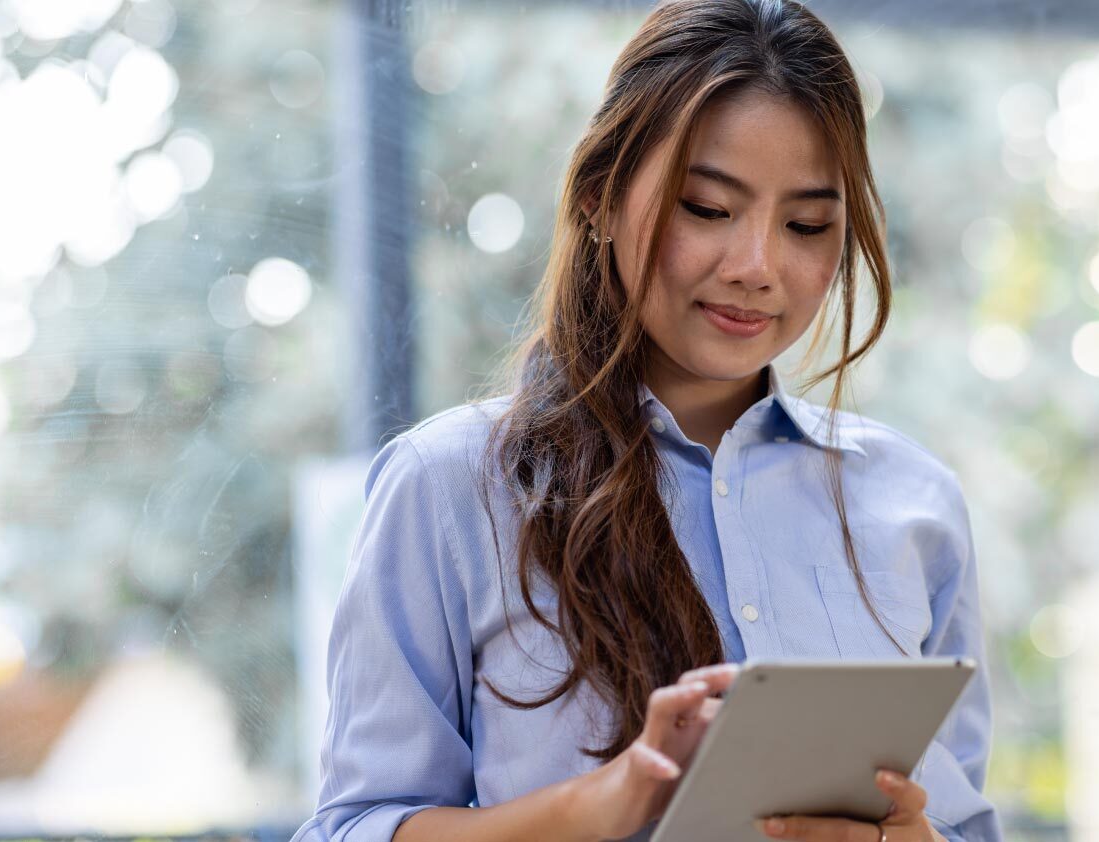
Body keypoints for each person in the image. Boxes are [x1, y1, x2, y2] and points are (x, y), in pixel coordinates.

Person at [291, 0, 1000, 839]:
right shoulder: (448, 487)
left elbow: (965, 823)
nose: (757, 266)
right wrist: (592, 805)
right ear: (598, 197)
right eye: (706, 208)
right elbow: (356, 827)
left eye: (808, 225)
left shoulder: (913, 501)